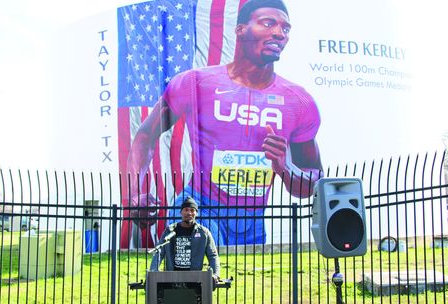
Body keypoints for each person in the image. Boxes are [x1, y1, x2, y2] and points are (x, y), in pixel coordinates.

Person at [128, 0, 323, 245]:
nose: (278, 33)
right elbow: (145, 135)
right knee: (196, 280)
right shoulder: (195, 83)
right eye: (268, 23)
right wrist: (135, 194)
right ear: (240, 29)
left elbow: (312, 182)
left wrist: (285, 168)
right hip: (199, 208)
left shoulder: (298, 102)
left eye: (285, 29)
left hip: (252, 222)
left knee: (248, 284)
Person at [150, 197, 220, 283]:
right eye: (186, 210)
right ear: (181, 212)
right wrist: (153, 272)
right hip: (172, 278)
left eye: (192, 210)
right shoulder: (170, 231)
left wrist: (215, 274)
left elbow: (212, 256)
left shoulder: (203, 233)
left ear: (196, 213)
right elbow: (159, 253)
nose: (189, 213)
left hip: (195, 279)